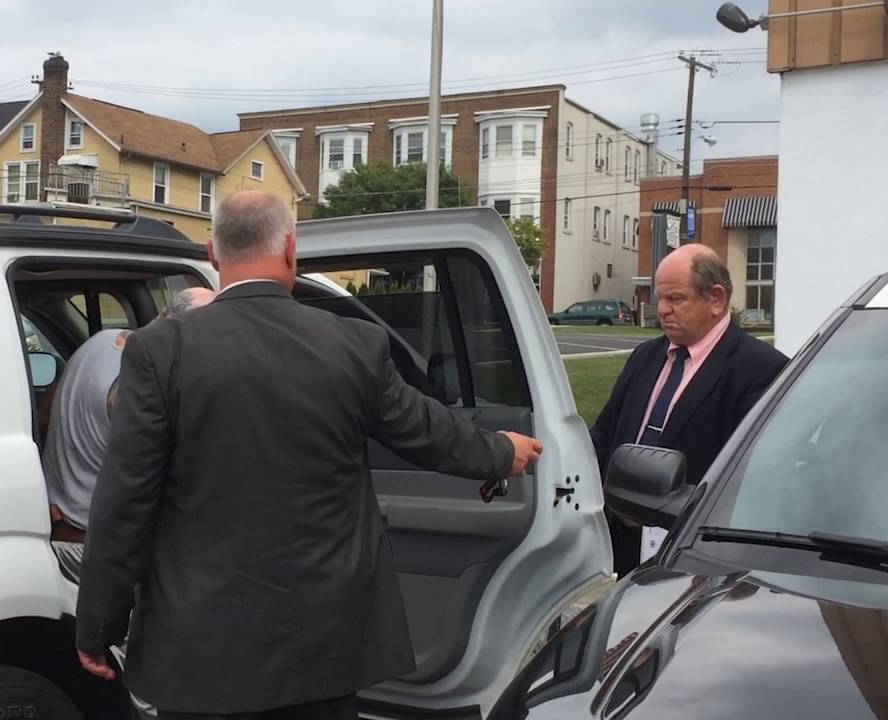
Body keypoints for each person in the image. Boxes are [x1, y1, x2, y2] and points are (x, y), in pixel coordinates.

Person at [75, 190, 542, 720]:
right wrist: (502, 451)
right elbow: (429, 432)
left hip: (202, 653)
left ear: (212, 254)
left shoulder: (159, 351)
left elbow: (123, 503)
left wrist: (97, 625)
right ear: (291, 250)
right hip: (323, 650)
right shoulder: (355, 343)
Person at [590, 243, 788, 577]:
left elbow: (755, 477)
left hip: (695, 554)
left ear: (716, 299)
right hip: (621, 543)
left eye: (676, 299)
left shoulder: (760, 369)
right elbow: (606, 435)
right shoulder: (645, 357)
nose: (662, 310)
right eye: (660, 298)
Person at [42, 286, 215, 577]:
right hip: (94, 547)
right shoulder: (148, 386)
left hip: (55, 526)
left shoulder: (99, 342)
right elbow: (152, 487)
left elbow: (46, 413)